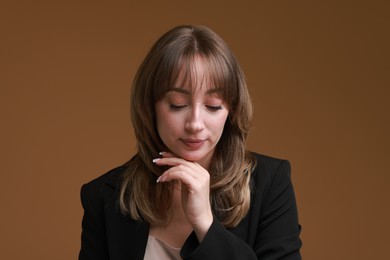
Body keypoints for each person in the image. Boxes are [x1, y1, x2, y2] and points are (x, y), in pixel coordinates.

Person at [79, 25, 302, 260]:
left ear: (231, 110)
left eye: (213, 106)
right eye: (177, 104)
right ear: (149, 107)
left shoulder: (270, 183)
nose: (195, 124)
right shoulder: (104, 196)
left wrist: (205, 224)